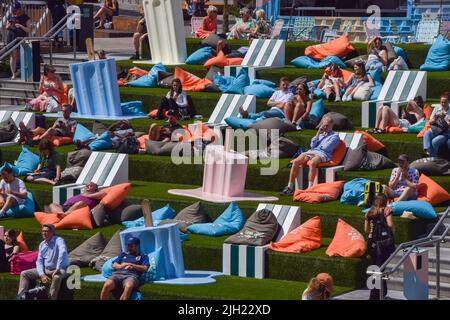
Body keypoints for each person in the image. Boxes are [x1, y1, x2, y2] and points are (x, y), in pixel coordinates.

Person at [281, 115, 340, 196]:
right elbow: (312, 145)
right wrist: (318, 132)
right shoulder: (321, 134)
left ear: (331, 125)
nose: (325, 127)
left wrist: (317, 144)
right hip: (313, 151)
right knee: (296, 162)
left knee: (312, 163)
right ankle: (289, 187)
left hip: (323, 154)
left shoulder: (335, 136)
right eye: (324, 125)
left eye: (327, 125)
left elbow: (326, 148)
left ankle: (310, 188)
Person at [17, 224, 69, 300]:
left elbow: (63, 252)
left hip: (60, 269)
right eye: (43, 231)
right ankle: (20, 297)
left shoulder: (59, 240)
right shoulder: (42, 244)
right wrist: (42, 275)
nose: (44, 233)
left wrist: (58, 267)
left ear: (52, 232)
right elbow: (39, 261)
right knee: (24, 273)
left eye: (46, 231)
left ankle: (51, 298)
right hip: (46, 269)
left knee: (57, 277)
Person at [364, 194, 395, 300]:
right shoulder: (386, 210)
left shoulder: (369, 212)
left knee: (375, 268)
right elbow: (390, 225)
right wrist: (391, 234)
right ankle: (374, 297)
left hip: (371, 244)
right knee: (380, 269)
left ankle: (383, 292)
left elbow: (366, 231)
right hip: (383, 245)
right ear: (385, 201)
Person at [6, 2, 32, 80]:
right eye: (14, 9)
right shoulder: (11, 17)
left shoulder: (26, 17)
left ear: (20, 9)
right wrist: (9, 26)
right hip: (12, 37)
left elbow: (29, 30)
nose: (15, 11)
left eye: (17, 9)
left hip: (22, 38)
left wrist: (20, 26)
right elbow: (6, 27)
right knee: (13, 56)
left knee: (23, 56)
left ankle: (24, 72)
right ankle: (13, 74)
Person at [423, 92, 450, 157]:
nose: (443, 104)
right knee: (427, 133)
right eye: (442, 102)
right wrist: (435, 118)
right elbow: (430, 122)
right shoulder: (437, 108)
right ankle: (428, 152)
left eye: (445, 102)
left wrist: (442, 119)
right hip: (436, 130)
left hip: (445, 133)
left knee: (435, 141)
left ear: (449, 102)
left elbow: (447, 127)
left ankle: (432, 158)